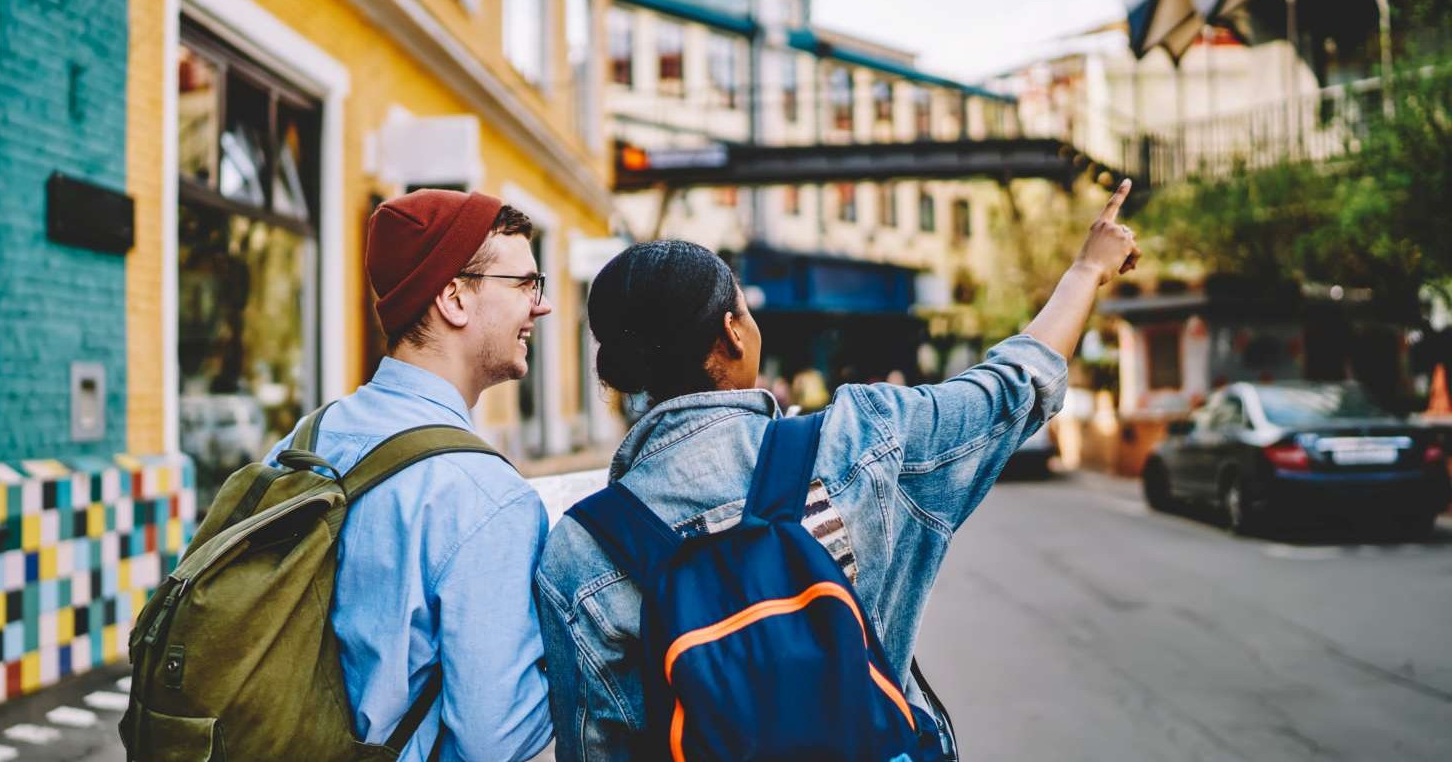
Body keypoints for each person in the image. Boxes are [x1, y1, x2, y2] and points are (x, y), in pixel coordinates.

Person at [535, 181, 1141, 760]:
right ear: (732, 334)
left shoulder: (582, 551)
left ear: (618, 371)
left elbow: (599, 748)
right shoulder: (861, 435)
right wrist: (1087, 269)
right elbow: (1014, 384)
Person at [261, 189, 555, 761]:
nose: (539, 307)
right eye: (525, 284)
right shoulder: (485, 497)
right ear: (454, 298)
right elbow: (499, 743)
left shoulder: (304, 441)